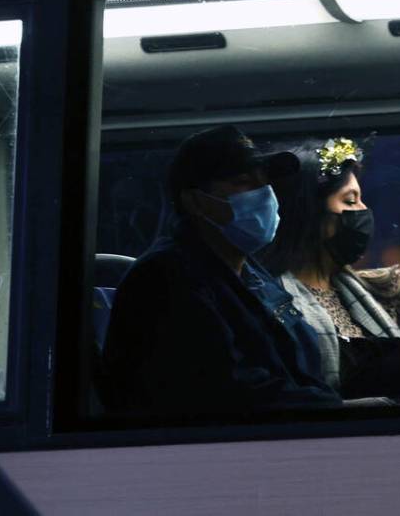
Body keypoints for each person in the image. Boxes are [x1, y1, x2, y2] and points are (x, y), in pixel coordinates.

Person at [102, 125, 341, 416]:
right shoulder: (167, 279)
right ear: (195, 202)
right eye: (243, 182)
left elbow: (293, 352)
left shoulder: (246, 269)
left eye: (264, 182)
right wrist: (333, 409)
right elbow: (231, 393)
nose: (264, 194)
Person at [260, 137, 400, 398]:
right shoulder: (274, 304)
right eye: (349, 201)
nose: (363, 210)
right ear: (311, 214)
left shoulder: (365, 287)